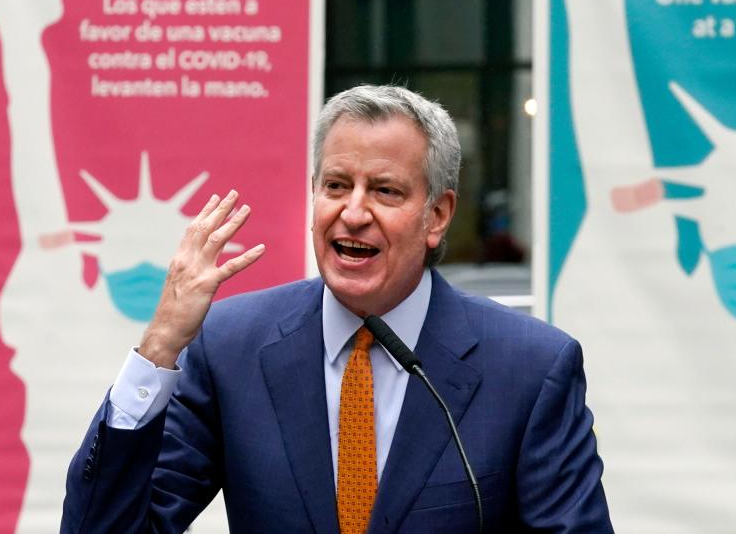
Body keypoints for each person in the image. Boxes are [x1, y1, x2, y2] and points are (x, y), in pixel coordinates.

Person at [61, 85, 613, 533]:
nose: (353, 212)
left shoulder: (531, 368)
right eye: (336, 185)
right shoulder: (230, 348)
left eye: (386, 191)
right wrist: (158, 347)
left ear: (438, 215)